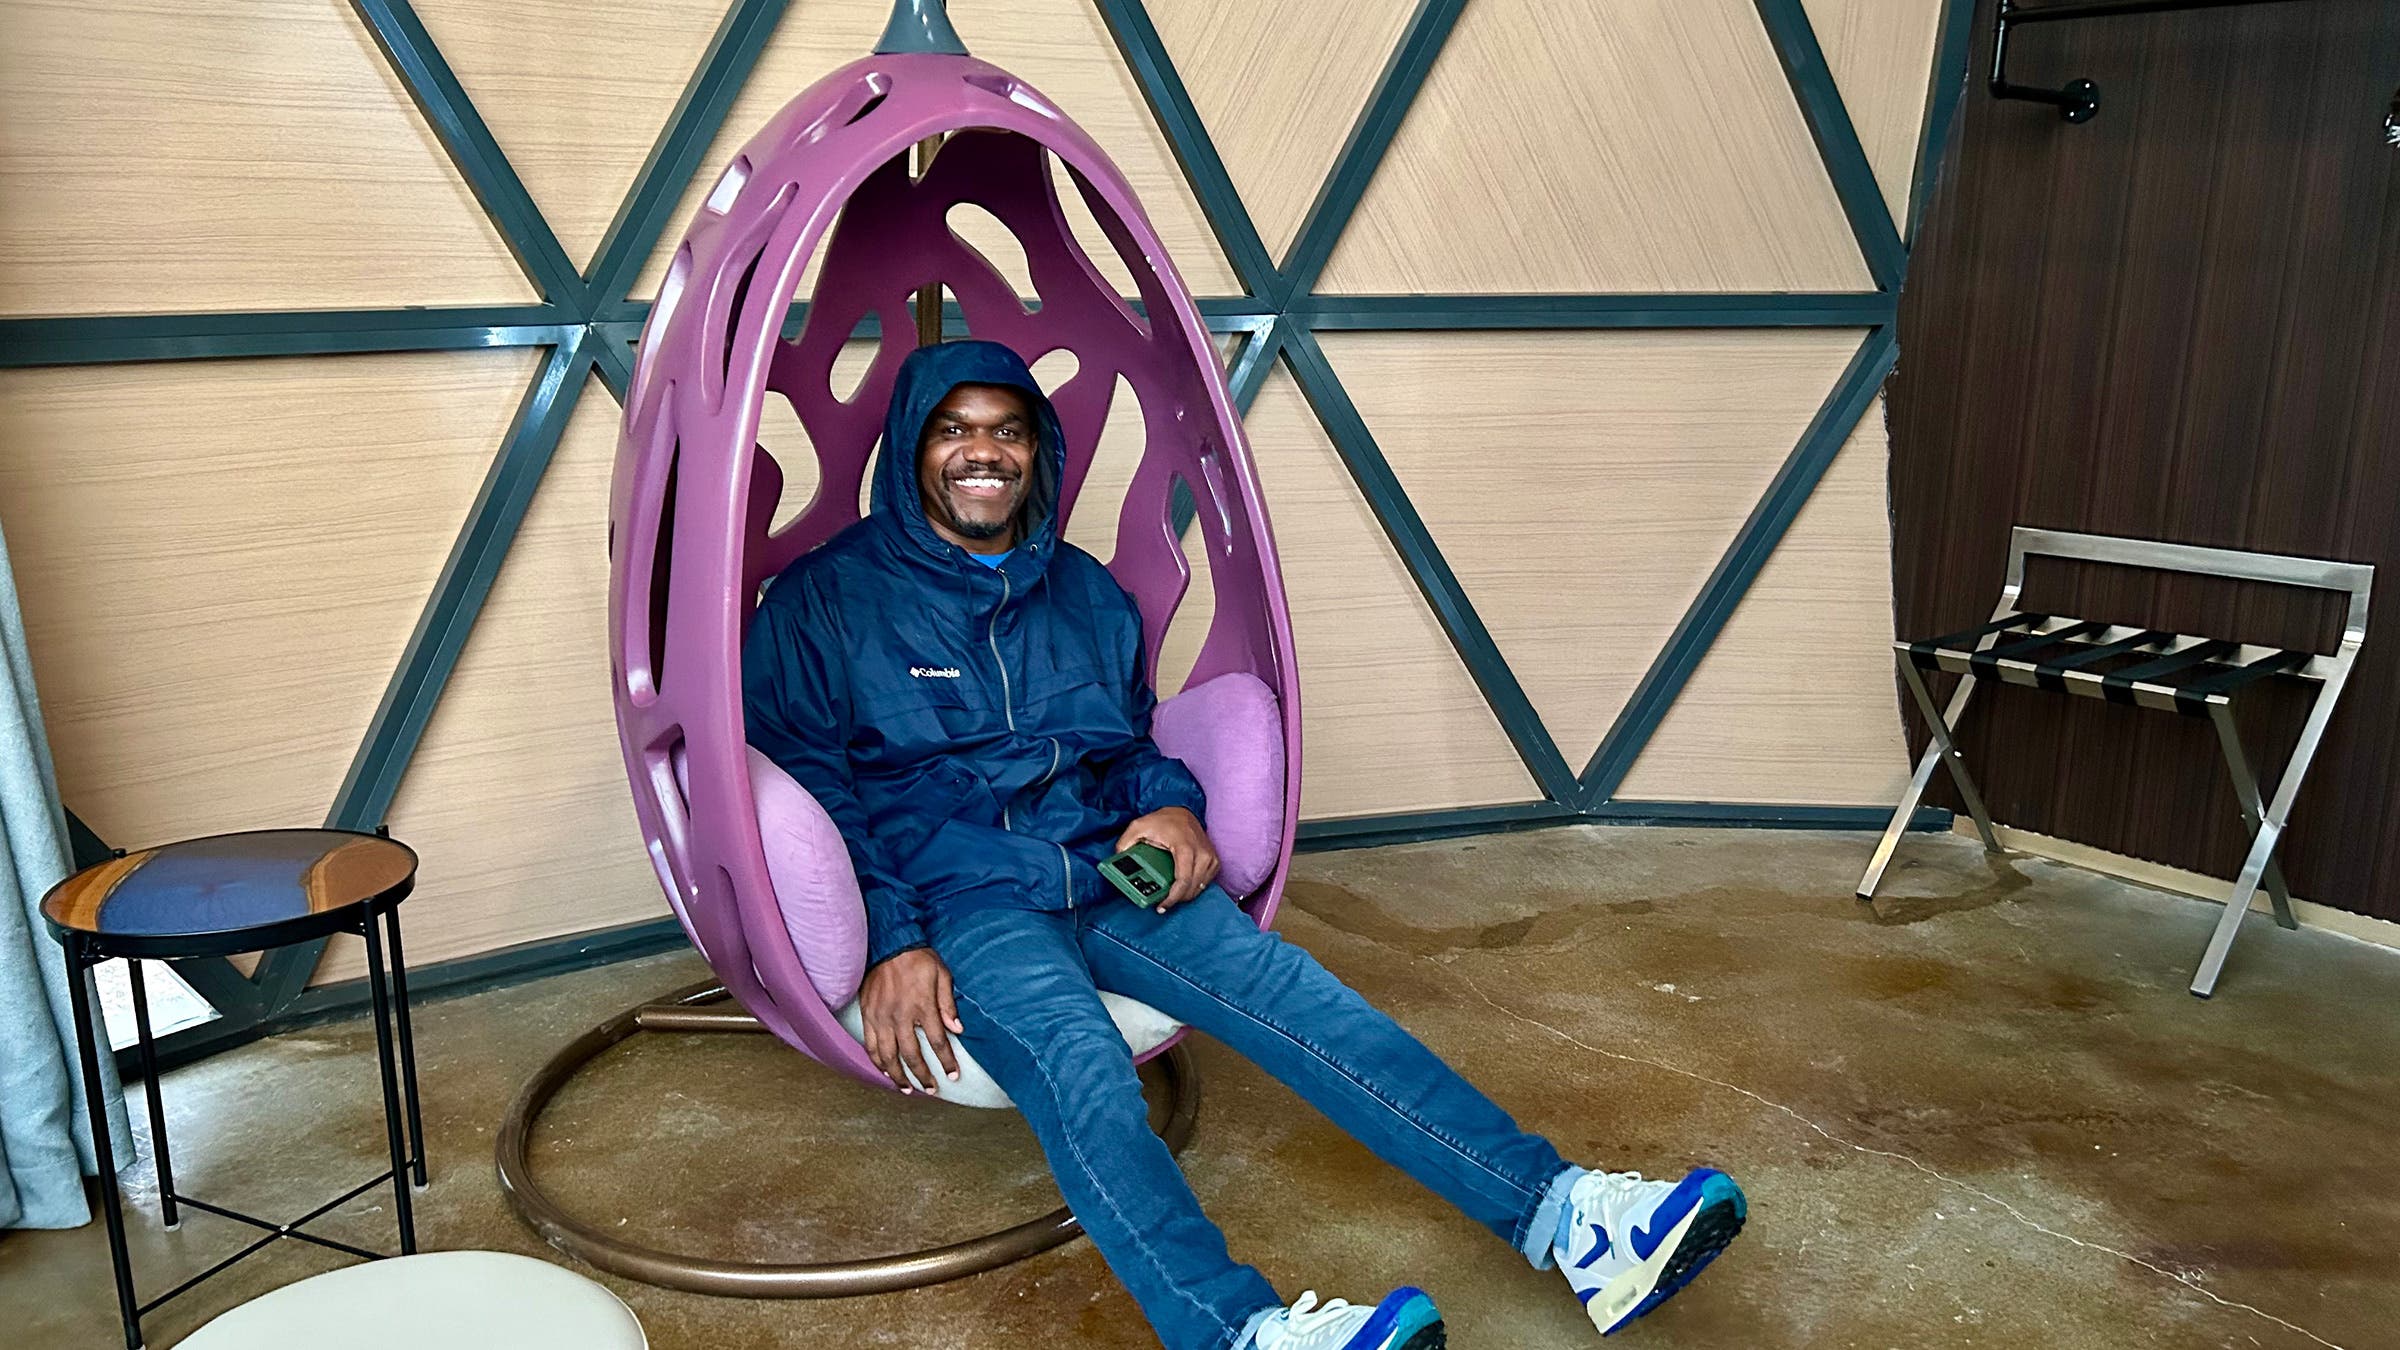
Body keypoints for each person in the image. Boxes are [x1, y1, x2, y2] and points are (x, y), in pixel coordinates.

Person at [743, 340, 1746, 1350]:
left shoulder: (1084, 595)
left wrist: (1171, 805)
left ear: (1036, 447)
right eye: (953, 429)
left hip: (1102, 869)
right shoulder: (825, 601)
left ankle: (1565, 1219)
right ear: (913, 447)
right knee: (1084, 1062)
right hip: (962, 900)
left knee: (1300, 997)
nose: (981, 452)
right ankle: (1234, 1332)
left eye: (1006, 429)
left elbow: (1125, 742)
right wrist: (891, 939)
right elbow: (814, 790)